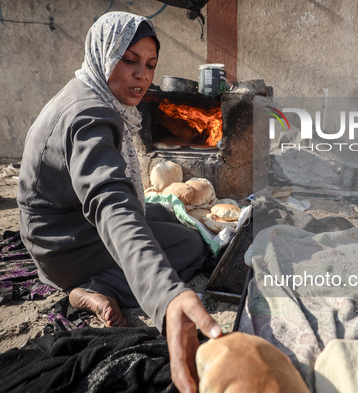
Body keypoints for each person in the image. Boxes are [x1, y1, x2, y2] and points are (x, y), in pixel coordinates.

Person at [16, 12, 221, 393]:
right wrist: (167, 297)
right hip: (65, 246)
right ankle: (86, 288)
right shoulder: (89, 115)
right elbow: (111, 204)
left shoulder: (87, 91)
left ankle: (88, 278)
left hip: (57, 230)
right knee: (189, 244)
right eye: (129, 60)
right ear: (104, 53)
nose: (142, 75)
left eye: (150, 65)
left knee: (165, 214)